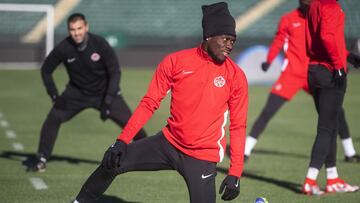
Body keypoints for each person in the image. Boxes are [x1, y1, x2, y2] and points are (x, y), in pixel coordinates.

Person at [72, 2, 248, 203]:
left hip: (202, 157)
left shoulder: (236, 76)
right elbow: (149, 103)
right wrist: (122, 141)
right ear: (209, 36)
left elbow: (238, 125)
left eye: (233, 41)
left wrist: (235, 172)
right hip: (168, 143)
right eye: (226, 39)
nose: (230, 45)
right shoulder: (175, 62)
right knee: (112, 160)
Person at [25, 13, 147, 172]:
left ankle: (147, 155)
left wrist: (108, 100)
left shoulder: (100, 44)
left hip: (105, 93)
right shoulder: (64, 48)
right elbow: (46, 70)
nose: (76, 33)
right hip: (77, 93)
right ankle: (41, 158)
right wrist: (54, 95)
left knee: (132, 124)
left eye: (79, 28)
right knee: (53, 119)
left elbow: (115, 72)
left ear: (86, 27)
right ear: (69, 30)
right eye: (73, 29)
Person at [244, 0, 360, 163]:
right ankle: (245, 150)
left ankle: (350, 152)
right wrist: (269, 60)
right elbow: (278, 41)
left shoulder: (319, 16)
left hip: (315, 72)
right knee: (268, 110)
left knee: (336, 111)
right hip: (292, 74)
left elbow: (330, 42)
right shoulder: (288, 19)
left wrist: (347, 55)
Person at [302, 0, 360, 195]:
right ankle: (310, 181)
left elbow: (321, 40)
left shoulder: (314, 5)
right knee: (326, 128)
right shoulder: (331, 6)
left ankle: (333, 178)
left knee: (332, 125)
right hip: (330, 73)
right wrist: (338, 64)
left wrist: (349, 56)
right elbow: (327, 37)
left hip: (315, 71)